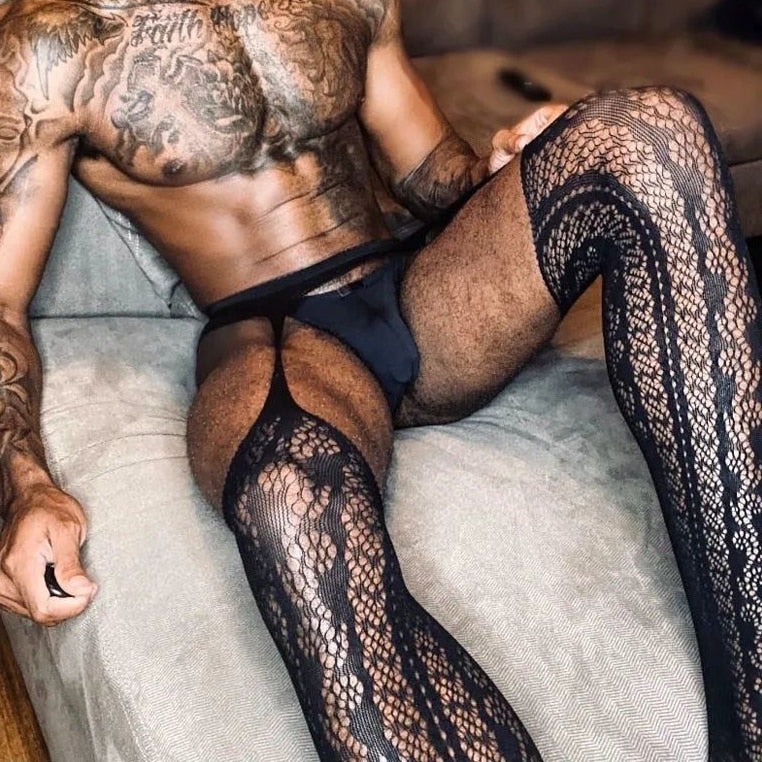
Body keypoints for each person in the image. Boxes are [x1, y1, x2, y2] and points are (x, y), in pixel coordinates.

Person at [0, 0, 759, 759]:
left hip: (425, 295)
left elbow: (431, 172)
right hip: (283, 336)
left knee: (649, 132)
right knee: (288, 493)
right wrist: (25, 486)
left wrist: (507, 169)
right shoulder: (54, 46)